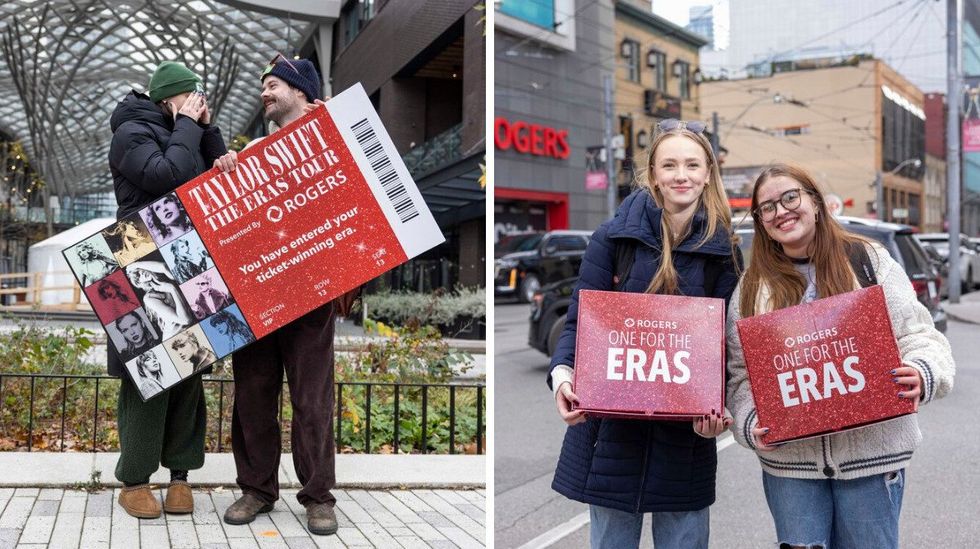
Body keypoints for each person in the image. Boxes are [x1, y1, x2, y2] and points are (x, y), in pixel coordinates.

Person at [725, 164, 955, 549]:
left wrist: (922, 371)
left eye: (790, 197)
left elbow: (919, 334)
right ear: (761, 221)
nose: (780, 211)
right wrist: (751, 423)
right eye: (767, 207)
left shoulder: (868, 260)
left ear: (815, 202)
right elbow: (741, 374)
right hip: (791, 469)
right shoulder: (752, 287)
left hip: (872, 459)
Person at [547, 119, 741, 549]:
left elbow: (728, 342)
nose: (681, 175)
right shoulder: (612, 238)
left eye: (692, 165)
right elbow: (581, 320)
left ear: (708, 172)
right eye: (669, 164)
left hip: (685, 437)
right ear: (653, 173)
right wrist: (563, 377)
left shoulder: (722, 248)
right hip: (613, 434)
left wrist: (720, 406)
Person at [211, 54, 349, 537]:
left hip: (311, 294)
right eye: (264, 86)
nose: (264, 93)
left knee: (312, 399)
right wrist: (227, 168)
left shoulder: (333, 138)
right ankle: (256, 489)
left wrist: (335, 126)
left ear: (301, 91)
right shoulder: (251, 156)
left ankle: (318, 496)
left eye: (273, 85)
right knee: (253, 395)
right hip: (257, 295)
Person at [108, 60, 227, 519]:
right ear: (168, 99)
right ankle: (135, 480)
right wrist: (186, 128)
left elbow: (212, 175)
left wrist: (207, 128)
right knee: (147, 370)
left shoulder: (188, 130)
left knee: (192, 364)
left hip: (187, 253)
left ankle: (180, 476)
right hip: (137, 250)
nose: (198, 106)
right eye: (192, 97)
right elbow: (165, 177)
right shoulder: (130, 133)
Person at [125, 260, 195, 339]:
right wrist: (172, 289)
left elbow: (163, 267)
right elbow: (185, 320)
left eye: (140, 269)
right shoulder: (150, 298)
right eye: (138, 275)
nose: (141, 273)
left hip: (192, 330)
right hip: (176, 336)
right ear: (139, 282)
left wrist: (135, 265)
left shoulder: (169, 279)